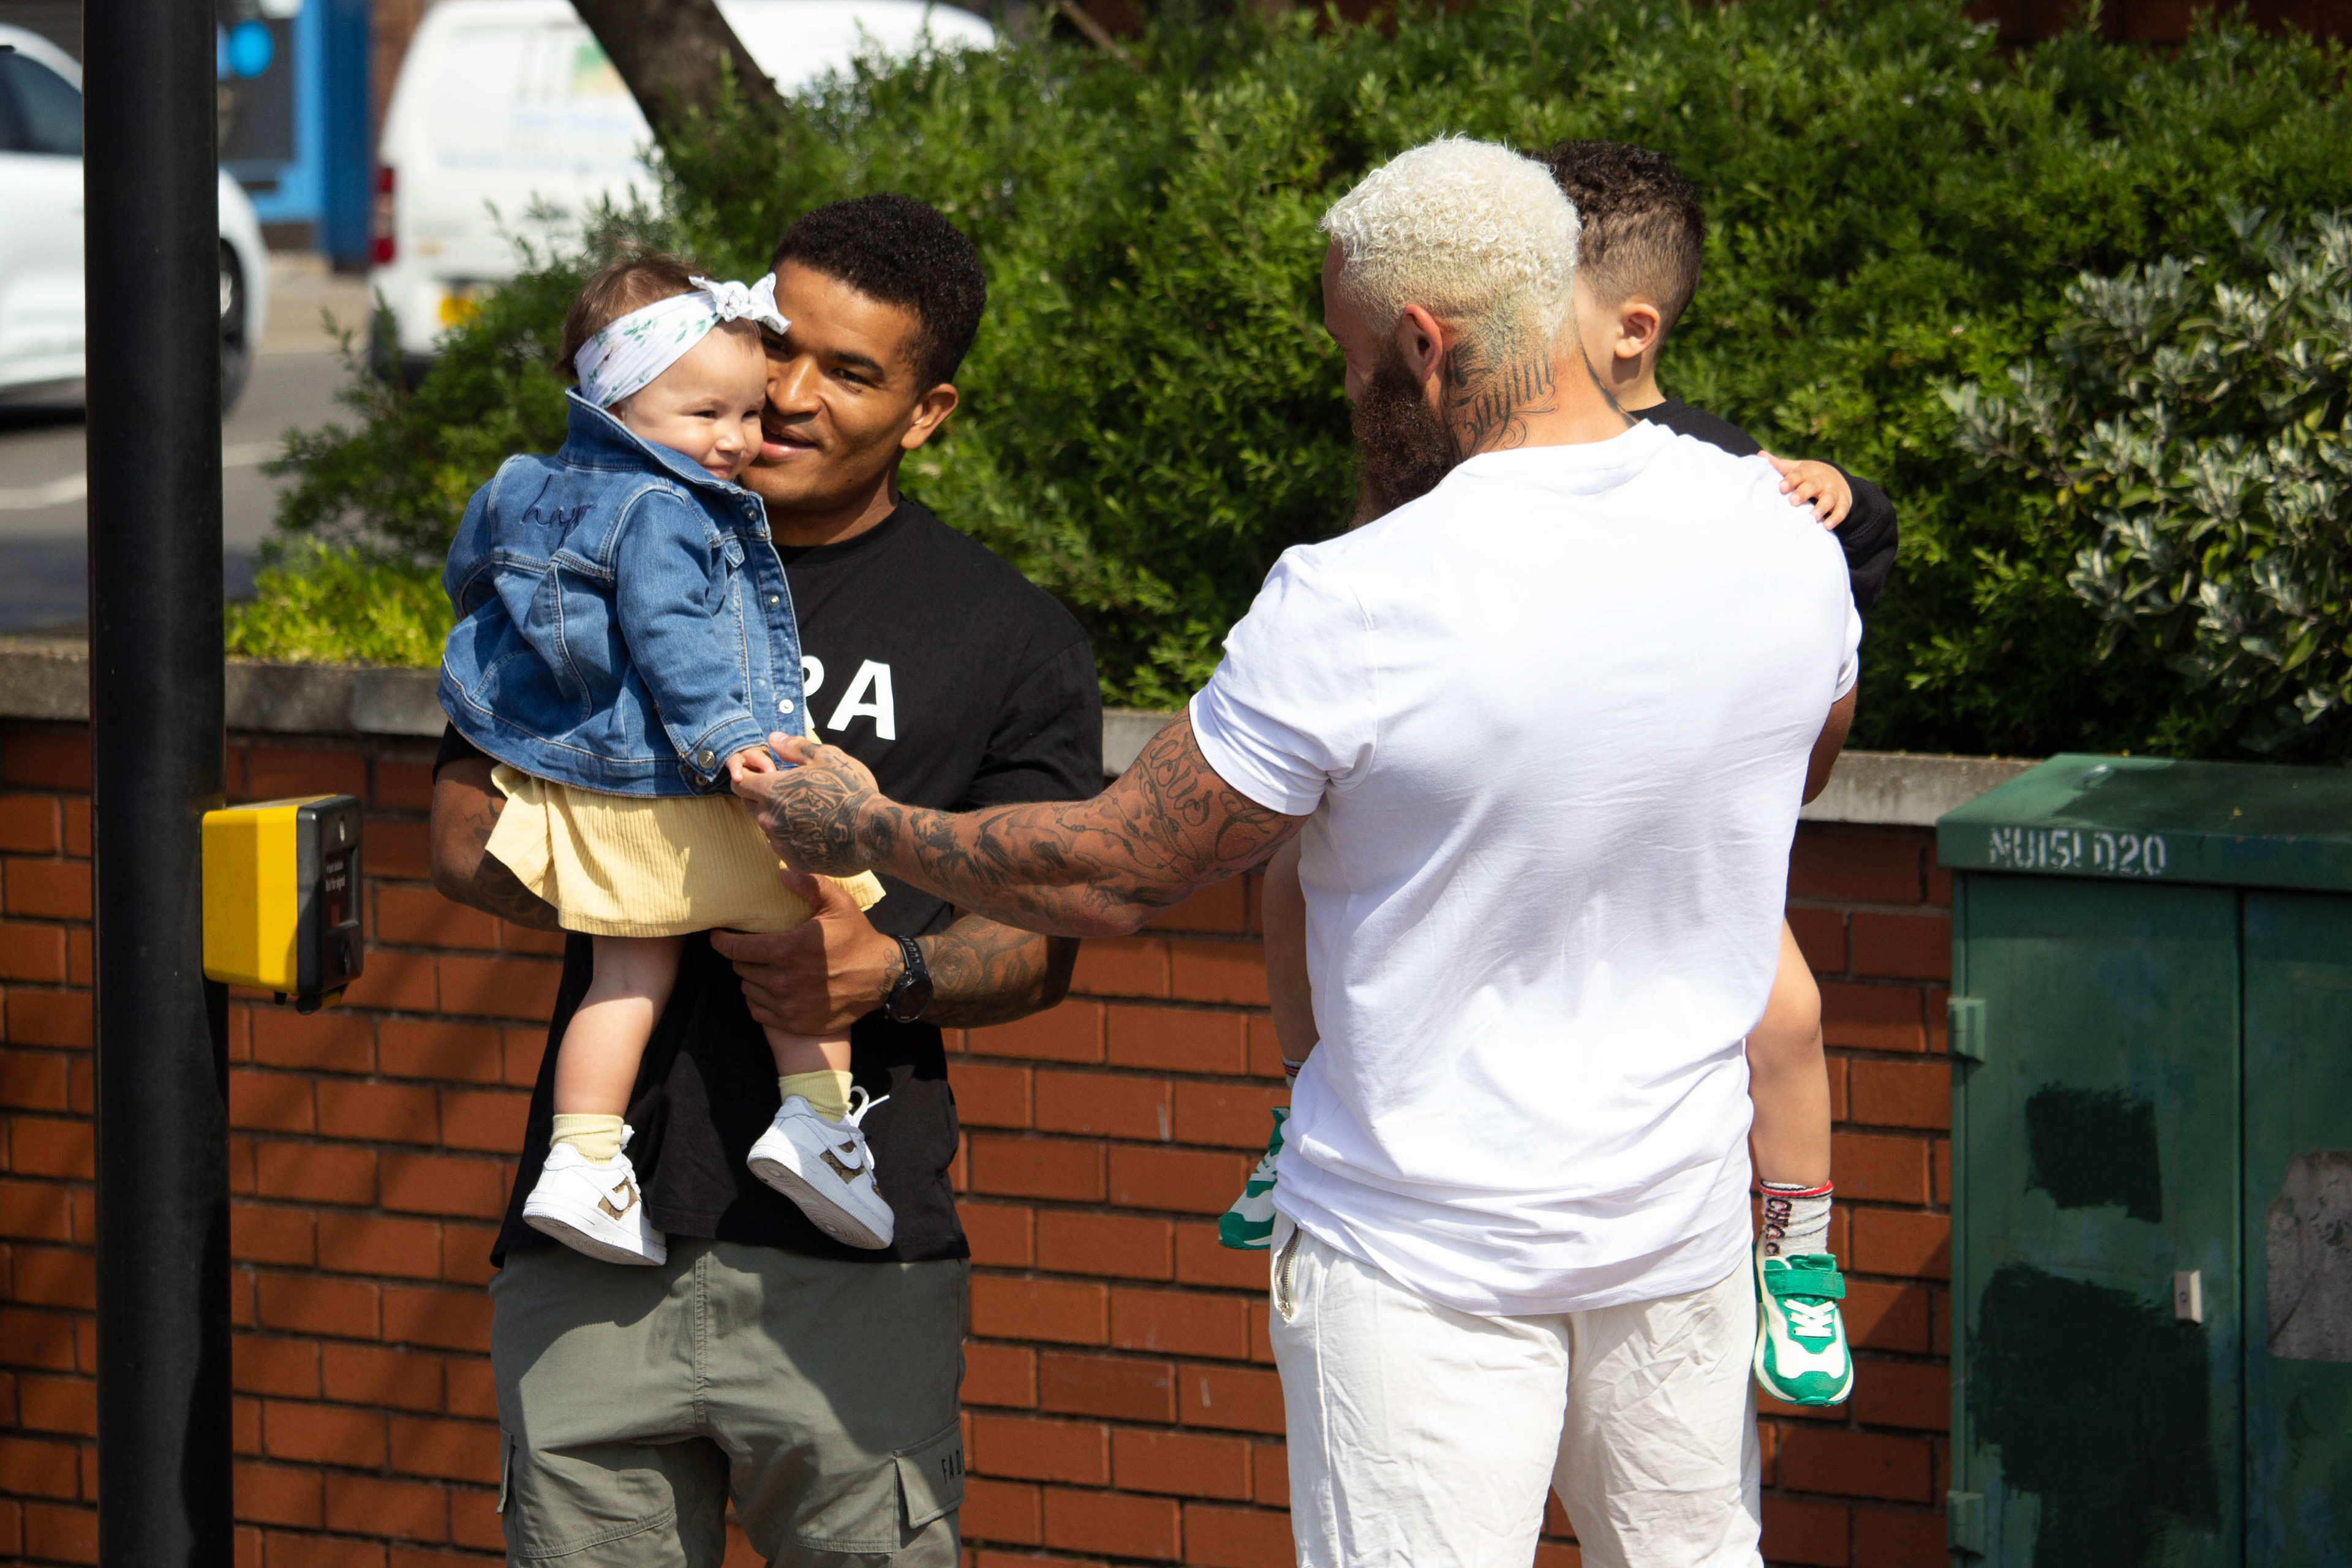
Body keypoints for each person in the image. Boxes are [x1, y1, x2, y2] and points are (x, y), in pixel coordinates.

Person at [734, 138, 1858, 1567]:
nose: (1346, 391)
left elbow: (1113, 871)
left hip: (1418, 1258)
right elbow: (1788, 779)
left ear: (1423, 345)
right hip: (1680, 1232)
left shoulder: (1363, 596)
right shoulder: (1781, 536)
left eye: (1349, 356)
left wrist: (867, 825)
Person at [430, 194, 1103, 1567]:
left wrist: (887, 971)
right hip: (592, 1245)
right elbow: (457, 833)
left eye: (849, 372)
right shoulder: (585, 552)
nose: (788, 398)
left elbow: (1041, 940)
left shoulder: (1010, 634)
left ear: (926, 412)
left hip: (853, 1262)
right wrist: (676, 884)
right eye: (777, 346)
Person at [1220, 139, 1890, 1412]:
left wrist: (1842, 496)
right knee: (1290, 880)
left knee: (1786, 1010)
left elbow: (1823, 632)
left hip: (1669, 862)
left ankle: (1798, 1239)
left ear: (1628, 326)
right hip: (1515, 901)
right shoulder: (1461, 475)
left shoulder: (1722, 478)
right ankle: (1302, 1107)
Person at [440, 254, 894, 1265]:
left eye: (747, 413)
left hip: (595, 797)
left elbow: (472, 577)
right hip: (687, 785)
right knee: (821, 914)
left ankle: (583, 1162)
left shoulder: (522, 487)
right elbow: (676, 639)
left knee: (622, 980)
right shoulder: (666, 509)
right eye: (706, 415)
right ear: (618, 403)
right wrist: (734, 745)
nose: (738, 439)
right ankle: (819, 1127)